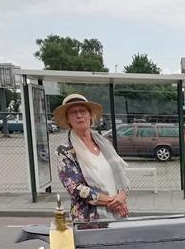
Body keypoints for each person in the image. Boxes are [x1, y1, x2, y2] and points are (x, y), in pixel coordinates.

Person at [53, 93, 130, 221]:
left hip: (117, 213)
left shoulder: (105, 144)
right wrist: (113, 201)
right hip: (88, 219)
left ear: (90, 115)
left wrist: (122, 196)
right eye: (73, 112)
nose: (79, 115)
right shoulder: (65, 151)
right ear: (68, 119)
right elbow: (75, 188)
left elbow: (120, 175)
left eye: (82, 111)